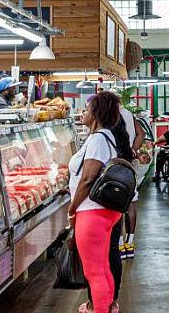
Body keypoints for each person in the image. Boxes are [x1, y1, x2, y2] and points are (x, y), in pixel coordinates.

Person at [68, 91, 133, 313]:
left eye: (86, 110)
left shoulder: (97, 139)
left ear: (95, 114)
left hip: (91, 212)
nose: (83, 114)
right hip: (103, 213)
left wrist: (71, 208)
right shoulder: (106, 136)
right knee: (102, 268)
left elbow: (88, 178)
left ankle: (100, 309)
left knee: (94, 272)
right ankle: (105, 307)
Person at [116, 105, 144, 260]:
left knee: (117, 203)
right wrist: (133, 150)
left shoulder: (108, 115)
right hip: (130, 163)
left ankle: (120, 243)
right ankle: (130, 243)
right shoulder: (128, 114)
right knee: (131, 202)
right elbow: (141, 133)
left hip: (115, 164)